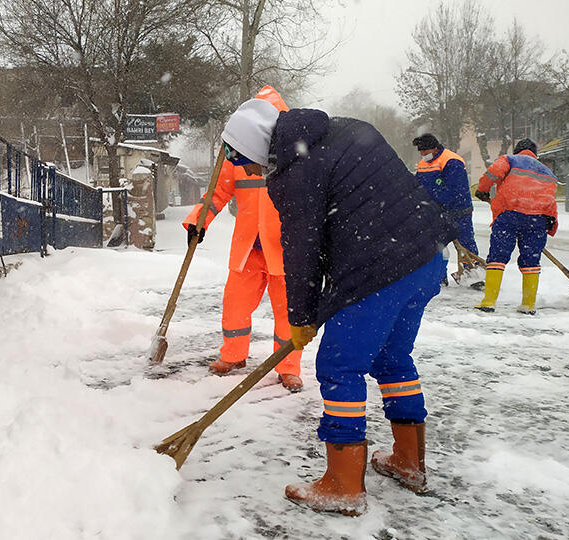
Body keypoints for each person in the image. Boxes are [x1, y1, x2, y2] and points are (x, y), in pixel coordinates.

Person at [219, 97, 456, 515]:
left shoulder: (294, 174)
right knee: (392, 358)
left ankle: (344, 485)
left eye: (244, 161)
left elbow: (301, 251)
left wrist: (302, 319)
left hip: (382, 266)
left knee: (338, 366)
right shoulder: (344, 127)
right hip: (429, 254)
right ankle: (408, 462)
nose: (248, 171)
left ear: (258, 147)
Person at [182, 86, 304, 392]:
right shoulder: (237, 154)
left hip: (285, 248)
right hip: (249, 245)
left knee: (287, 312)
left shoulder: (296, 155)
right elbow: (217, 193)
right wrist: (198, 221)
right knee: (235, 304)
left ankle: (288, 367)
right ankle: (233, 356)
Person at [474, 138, 558, 315]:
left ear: (518, 150)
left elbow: (492, 173)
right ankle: (528, 305)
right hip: (537, 220)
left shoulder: (510, 160)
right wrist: (551, 221)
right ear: (535, 154)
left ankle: (489, 301)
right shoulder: (547, 172)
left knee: (498, 255)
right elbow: (550, 201)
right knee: (531, 260)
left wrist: (482, 189)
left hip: (509, 214)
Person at [411, 133, 481, 285]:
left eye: (424, 151)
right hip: (435, 211)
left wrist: (436, 203)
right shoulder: (423, 164)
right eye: (420, 152)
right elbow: (417, 186)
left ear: (434, 148)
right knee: (436, 246)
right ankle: (439, 277)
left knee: (464, 243)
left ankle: (472, 274)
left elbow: (455, 189)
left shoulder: (451, 161)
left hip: (458, 210)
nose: (422, 154)